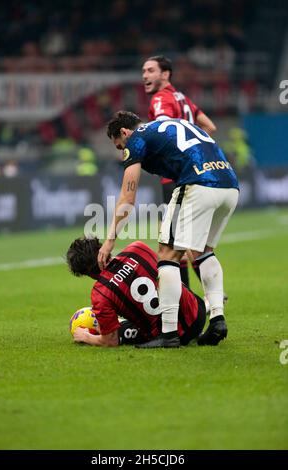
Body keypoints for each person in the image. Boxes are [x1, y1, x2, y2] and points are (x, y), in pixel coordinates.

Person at [98, 111, 239, 348]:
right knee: (204, 251)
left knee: (166, 254)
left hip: (199, 183)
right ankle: (217, 319)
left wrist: (110, 240)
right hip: (230, 185)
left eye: (119, 146)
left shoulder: (136, 138)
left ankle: (168, 333)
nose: (123, 151)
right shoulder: (166, 126)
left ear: (124, 132)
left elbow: (127, 197)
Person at [142, 55, 217, 288]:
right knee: (192, 241)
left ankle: (185, 300)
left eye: (151, 70)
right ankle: (210, 295)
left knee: (170, 245)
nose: (145, 75)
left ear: (165, 75)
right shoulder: (182, 98)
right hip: (194, 176)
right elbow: (209, 127)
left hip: (173, 178)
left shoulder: (160, 100)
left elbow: (165, 131)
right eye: (143, 71)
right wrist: (197, 154)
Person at [66, 237, 206, 347]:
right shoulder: (137, 248)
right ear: (101, 247)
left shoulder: (100, 293)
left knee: (120, 330)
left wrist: (86, 337)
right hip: (197, 312)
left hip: (175, 334)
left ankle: (102, 324)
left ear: (86, 273)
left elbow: (111, 342)